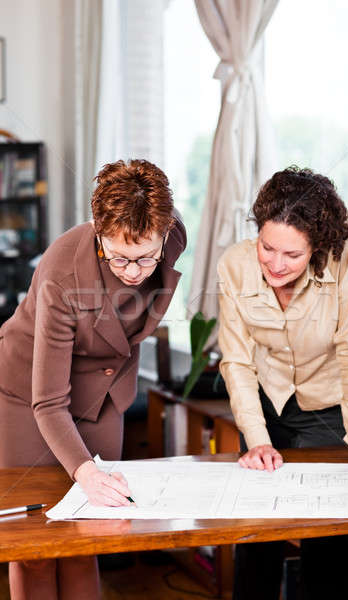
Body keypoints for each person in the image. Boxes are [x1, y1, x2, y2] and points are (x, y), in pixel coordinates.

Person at [0, 158, 186, 600]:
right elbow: (47, 402)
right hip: (29, 396)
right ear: (99, 231)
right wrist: (82, 468)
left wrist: (87, 474)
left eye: (146, 257)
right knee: (37, 546)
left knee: (91, 535)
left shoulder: (169, 232)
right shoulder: (62, 275)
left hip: (103, 392)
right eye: (120, 256)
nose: (135, 271)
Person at [217, 166, 348, 600]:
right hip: (267, 404)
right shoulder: (234, 265)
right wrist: (257, 439)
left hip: (328, 408)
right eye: (267, 248)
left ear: (319, 246)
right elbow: (236, 360)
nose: (275, 264)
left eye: (292, 255)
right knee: (257, 531)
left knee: (327, 534)